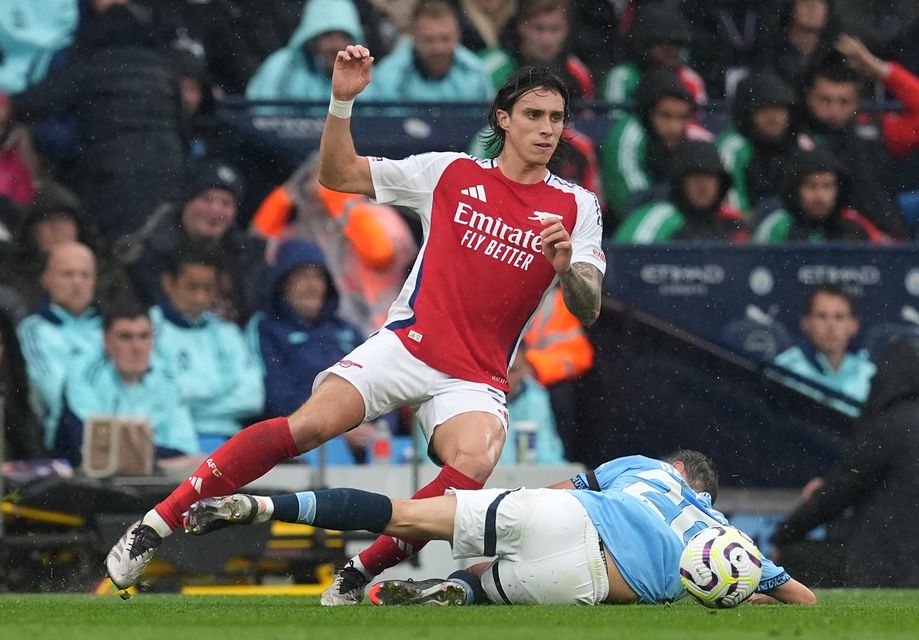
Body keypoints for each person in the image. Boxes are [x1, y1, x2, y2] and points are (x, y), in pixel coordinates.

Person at [103, 49, 604, 608]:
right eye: (533, 115)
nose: (547, 129)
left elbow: (588, 307)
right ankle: (154, 525)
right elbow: (336, 174)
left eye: (556, 119)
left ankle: (355, 576)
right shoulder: (448, 173)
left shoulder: (576, 206)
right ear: (503, 119)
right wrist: (342, 99)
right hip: (407, 346)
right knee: (307, 427)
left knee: (475, 464)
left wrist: (566, 271)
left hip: (475, 377)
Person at [183, 450, 816, 606]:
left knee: (401, 511)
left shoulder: (647, 469)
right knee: (489, 588)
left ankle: (265, 505)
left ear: (677, 470)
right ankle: (460, 592)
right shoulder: (728, 541)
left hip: (566, 514)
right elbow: (802, 599)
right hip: (590, 579)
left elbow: (567, 489)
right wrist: (736, 593)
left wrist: (502, 511)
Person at [772, 335, 919, 587]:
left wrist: (784, 534)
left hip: (880, 566)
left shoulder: (889, 427)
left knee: (790, 558)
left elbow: (838, 493)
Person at [250, 153, 418, 337]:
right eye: (308, 178)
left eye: (325, 177)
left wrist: (342, 201)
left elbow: (380, 255)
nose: (314, 186)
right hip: (328, 333)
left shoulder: (376, 214)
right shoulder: (300, 229)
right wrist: (283, 197)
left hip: (383, 329)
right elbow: (256, 251)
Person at [246, 238, 370, 463]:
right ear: (282, 283)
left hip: (365, 436)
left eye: (318, 276)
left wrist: (378, 427)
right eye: (301, 276)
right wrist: (338, 427)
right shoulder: (266, 329)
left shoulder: (348, 331)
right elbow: (276, 398)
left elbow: (380, 378)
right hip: (306, 440)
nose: (311, 284)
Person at [116, 159, 268, 325]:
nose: (216, 210)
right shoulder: (150, 252)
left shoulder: (247, 254)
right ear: (185, 203)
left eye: (226, 203)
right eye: (206, 199)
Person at [55, 302, 201, 467]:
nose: (136, 347)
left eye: (144, 336)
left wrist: (139, 455)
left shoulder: (165, 376)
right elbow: (88, 447)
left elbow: (185, 449)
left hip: (157, 480)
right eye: (125, 337)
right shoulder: (84, 373)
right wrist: (158, 459)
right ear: (106, 341)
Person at [150, 241, 264, 452]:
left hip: (230, 439)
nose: (200, 297)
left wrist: (192, 405)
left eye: (208, 289)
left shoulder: (227, 333)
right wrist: (221, 396)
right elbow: (160, 398)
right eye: (192, 287)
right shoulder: (147, 329)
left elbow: (252, 398)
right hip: (173, 442)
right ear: (169, 283)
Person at [798, 52, 907, 238]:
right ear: (809, 97)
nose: (834, 110)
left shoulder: (877, 130)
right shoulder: (788, 134)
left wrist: (882, 69)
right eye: (825, 100)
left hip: (880, 242)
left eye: (844, 102)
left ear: (857, 103)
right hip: (807, 241)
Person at [17, 242, 102, 449]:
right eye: (67, 274)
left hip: (125, 432)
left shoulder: (113, 328)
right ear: (46, 279)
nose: (77, 282)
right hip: (68, 441)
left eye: (85, 275)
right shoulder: (34, 330)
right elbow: (55, 395)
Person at [600, 68, 711, 222]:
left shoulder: (696, 138)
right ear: (648, 113)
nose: (675, 127)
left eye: (682, 117)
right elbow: (632, 205)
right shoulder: (628, 133)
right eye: (665, 116)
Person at [614, 139, 748, 243]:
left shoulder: (730, 222)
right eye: (696, 177)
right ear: (680, 182)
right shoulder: (659, 216)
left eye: (710, 178)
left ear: (721, 183)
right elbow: (624, 263)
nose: (703, 186)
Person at [771, 284, 876, 417]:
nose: (831, 326)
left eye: (839, 317)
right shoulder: (783, 370)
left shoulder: (871, 375)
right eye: (822, 316)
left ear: (854, 324)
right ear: (805, 323)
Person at [716, 70, 806, 221]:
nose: (773, 118)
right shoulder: (733, 145)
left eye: (779, 109)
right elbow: (734, 211)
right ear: (748, 114)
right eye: (764, 110)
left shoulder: (802, 144)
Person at [754, 146, 886, 243]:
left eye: (827, 186)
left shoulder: (856, 227)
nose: (820, 196)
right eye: (811, 186)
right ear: (795, 190)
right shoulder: (776, 226)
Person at [370, 0, 494, 103]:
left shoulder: (475, 72)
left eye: (445, 39)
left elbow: (488, 126)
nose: (438, 49)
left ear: (458, 36)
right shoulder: (388, 75)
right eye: (428, 40)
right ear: (413, 37)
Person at [246, 0, 366, 103]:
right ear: (312, 39)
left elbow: (372, 122)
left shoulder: (364, 75)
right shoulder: (279, 68)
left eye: (344, 36)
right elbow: (261, 119)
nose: (337, 45)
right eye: (328, 35)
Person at [479, 0, 594, 101]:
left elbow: (584, 122)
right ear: (521, 27)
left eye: (555, 29)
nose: (547, 40)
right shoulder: (486, 67)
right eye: (538, 28)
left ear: (567, 30)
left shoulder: (579, 73)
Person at [600, 2, 706, 106]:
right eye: (663, 45)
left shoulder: (691, 80)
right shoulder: (622, 77)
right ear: (645, 46)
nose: (671, 51)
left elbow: (699, 120)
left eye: (676, 45)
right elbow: (615, 118)